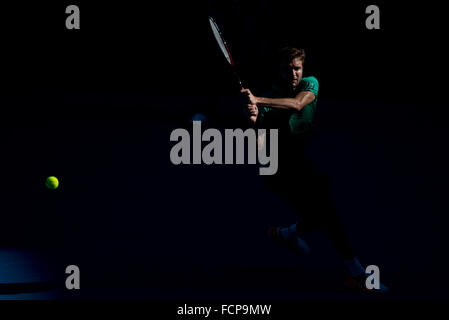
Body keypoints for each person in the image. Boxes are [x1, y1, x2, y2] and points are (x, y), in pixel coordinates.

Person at [241, 47, 388, 293]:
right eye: (288, 69)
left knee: (321, 212)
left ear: (303, 69)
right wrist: (253, 117)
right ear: (281, 70)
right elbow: (259, 138)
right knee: (327, 216)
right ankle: (357, 275)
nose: (294, 74)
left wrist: (258, 100)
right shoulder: (272, 95)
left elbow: (298, 105)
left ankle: (286, 234)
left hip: (297, 164)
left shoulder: (310, 84)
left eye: (297, 68)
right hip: (276, 169)